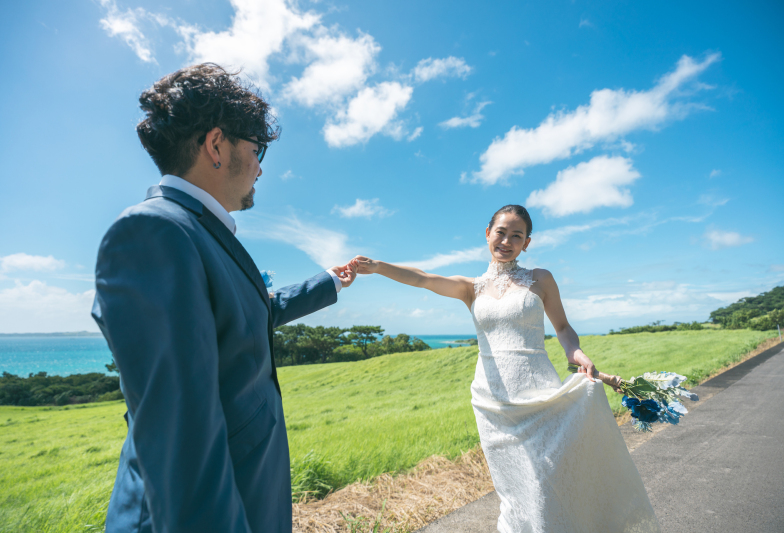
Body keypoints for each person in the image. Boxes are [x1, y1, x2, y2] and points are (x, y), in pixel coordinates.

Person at [91, 63, 357, 533]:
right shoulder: (152, 232)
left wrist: (330, 281)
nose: (260, 168)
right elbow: (183, 440)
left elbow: (250, 313)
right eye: (257, 150)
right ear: (216, 145)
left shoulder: (196, 232)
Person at [352, 205, 661, 533]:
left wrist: (576, 353)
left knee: (546, 484)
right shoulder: (470, 287)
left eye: (517, 235)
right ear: (488, 234)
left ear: (526, 243)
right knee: (514, 489)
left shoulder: (540, 279)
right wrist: (378, 267)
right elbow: (423, 278)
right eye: (500, 232)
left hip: (539, 394)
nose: (506, 241)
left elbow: (562, 327)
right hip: (493, 400)